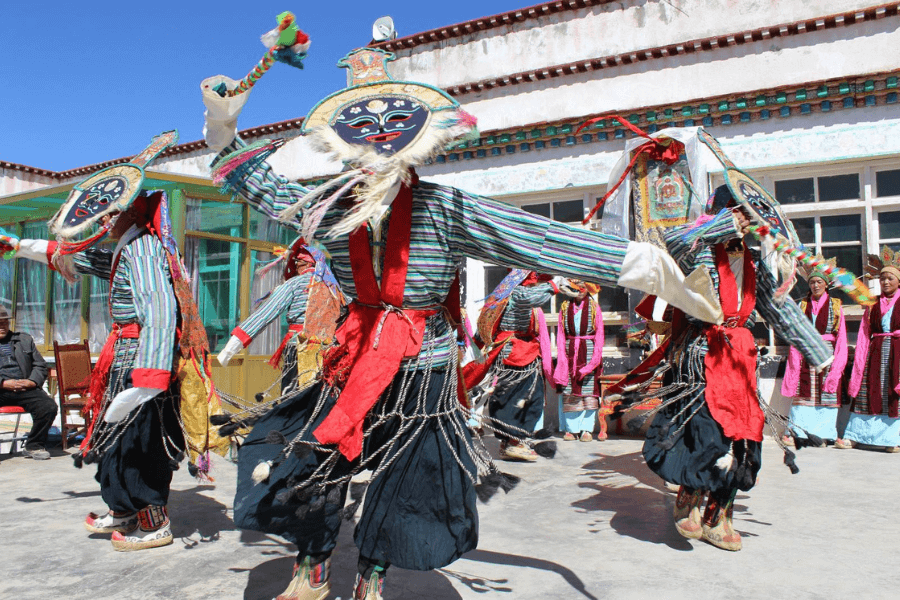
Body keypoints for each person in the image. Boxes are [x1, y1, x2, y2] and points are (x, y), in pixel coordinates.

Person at [202, 46, 722, 599]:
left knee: (407, 478)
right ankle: (311, 567)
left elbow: (541, 240)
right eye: (362, 141)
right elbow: (251, 182)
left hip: (422, 365)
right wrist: (222, 124)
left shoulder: (447, 209)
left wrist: (646, 266)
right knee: (315, 456)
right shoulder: (325, 206)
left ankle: (372, 578)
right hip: (351, 357)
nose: (375, 151)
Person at [2, 133, 228, 551]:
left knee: (139, 443)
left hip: (141, 364)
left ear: (128, 214)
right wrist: (19, 246)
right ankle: (123, 508)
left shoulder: (143, 250)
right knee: (112, 441)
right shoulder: (128, 248)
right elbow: (78, 256)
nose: (102, 223)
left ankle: (153, 523)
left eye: (109, 215)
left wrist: (149, 378)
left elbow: (159, 313)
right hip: (124, 362)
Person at [641, 185, 831, 552]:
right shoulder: (698, 254)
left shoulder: (756, 262)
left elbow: (779, 309)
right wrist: (727, 222)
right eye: (738, 214)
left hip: (739, 358)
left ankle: (719, 514)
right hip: (700, 354)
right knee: (705, 431)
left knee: (744, 435)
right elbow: (675, 240)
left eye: (749, 217)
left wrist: (818, 352)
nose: (745, 225)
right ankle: (689, 498)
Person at [216, 237, 344, 397]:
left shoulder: (295, 284)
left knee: (291, 403)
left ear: (306, 264)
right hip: (330, 352)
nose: (295, 265)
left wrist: (230, 349)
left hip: (300, 349)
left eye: (297, 261)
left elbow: (265, 314)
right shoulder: (335, 289)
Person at [466, 271, 563, 462]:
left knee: (521, 396)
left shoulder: (504, 292)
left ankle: (511, 441)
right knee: (517, 397)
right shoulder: (518, 293)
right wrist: (554, 285)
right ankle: (512, 442)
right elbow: (531, 298)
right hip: (515, 352)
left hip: (521, 350)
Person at [780, 259, 848, 446]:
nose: (815, 285)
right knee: (804, 393)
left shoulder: (835, 305)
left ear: (826, 284)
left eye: (819, 282)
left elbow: (841, 335)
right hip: (806, 352)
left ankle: (825, 434)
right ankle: (797, 433)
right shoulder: (803, 305)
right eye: (812, 282)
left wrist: (838, 363)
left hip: (827, 352)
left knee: (827, 393)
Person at [841, 246, 900, 452]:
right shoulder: (872, 303)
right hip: (875, 353)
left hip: (897, 352)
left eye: (890, 279)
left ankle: (892, 439)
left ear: (898, 281)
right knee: (867, 392)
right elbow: (865, 334)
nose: (885, 282)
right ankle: (856, 435)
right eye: (882, 279)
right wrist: (860, 360)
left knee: (892, 394)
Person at [0, 306, 57, 460]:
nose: (2, 326)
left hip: (24, 387)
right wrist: (3, 383)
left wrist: (32, 381)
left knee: (48, 407)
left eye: (4, 323)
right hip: (1, 388)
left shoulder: (24, 340)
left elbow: (40, 365)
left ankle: (34, 445)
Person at [552, 281, 606, 442]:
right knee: (570, 392)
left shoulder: (594, 308)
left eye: (583, 287)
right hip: (569, 353)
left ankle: (587, 429)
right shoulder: (564, 308)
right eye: (576, 288)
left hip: (588, 351)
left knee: (589, 392)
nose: (580, 291)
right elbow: (560, 335)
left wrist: (593, 362)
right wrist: (561, 359)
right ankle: (571, 430)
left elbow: (600, 335)